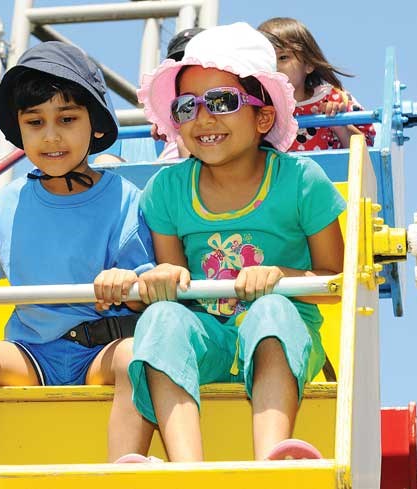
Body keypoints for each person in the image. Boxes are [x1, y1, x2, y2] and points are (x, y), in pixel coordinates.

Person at [0, 41, 156, 465]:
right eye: (35, 122)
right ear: (20, 130)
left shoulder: (126, 198)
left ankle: (123, 471)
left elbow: (144, 288)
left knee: (135, 358)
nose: (51, 136)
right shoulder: (14, 198)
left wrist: (126, 284)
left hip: (101, 350)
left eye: (67, 119)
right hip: (33, 352)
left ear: (95, 124)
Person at [130, 23, 345, 462]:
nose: (203, 119)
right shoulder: (167, 189)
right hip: (210, 338)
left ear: (263, 116)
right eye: (187, 106)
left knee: (270, 310)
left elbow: (334, 277)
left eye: (222, 102)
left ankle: (272, 455)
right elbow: (176, 289)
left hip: (282, 340)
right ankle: (186, 465)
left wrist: (280, 276)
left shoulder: (302, 181)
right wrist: (166, 275)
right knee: (162, 318)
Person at [258, 17, 376, 152]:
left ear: (308, 64)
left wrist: (338, 123)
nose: (274, 67)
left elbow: (367, 152)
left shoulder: (333, 98)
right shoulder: (254, 107)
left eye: (283, 57)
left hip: (329, 172)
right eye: (267, 61)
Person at [151, 27, 204, 161]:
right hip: (168, 166)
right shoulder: (171, 103)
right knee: (106, 158)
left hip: (199, 165)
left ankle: (192, 178)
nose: (186, 68)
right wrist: (162, 121)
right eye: (179, 62)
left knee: (183, 141)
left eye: (194, 61)